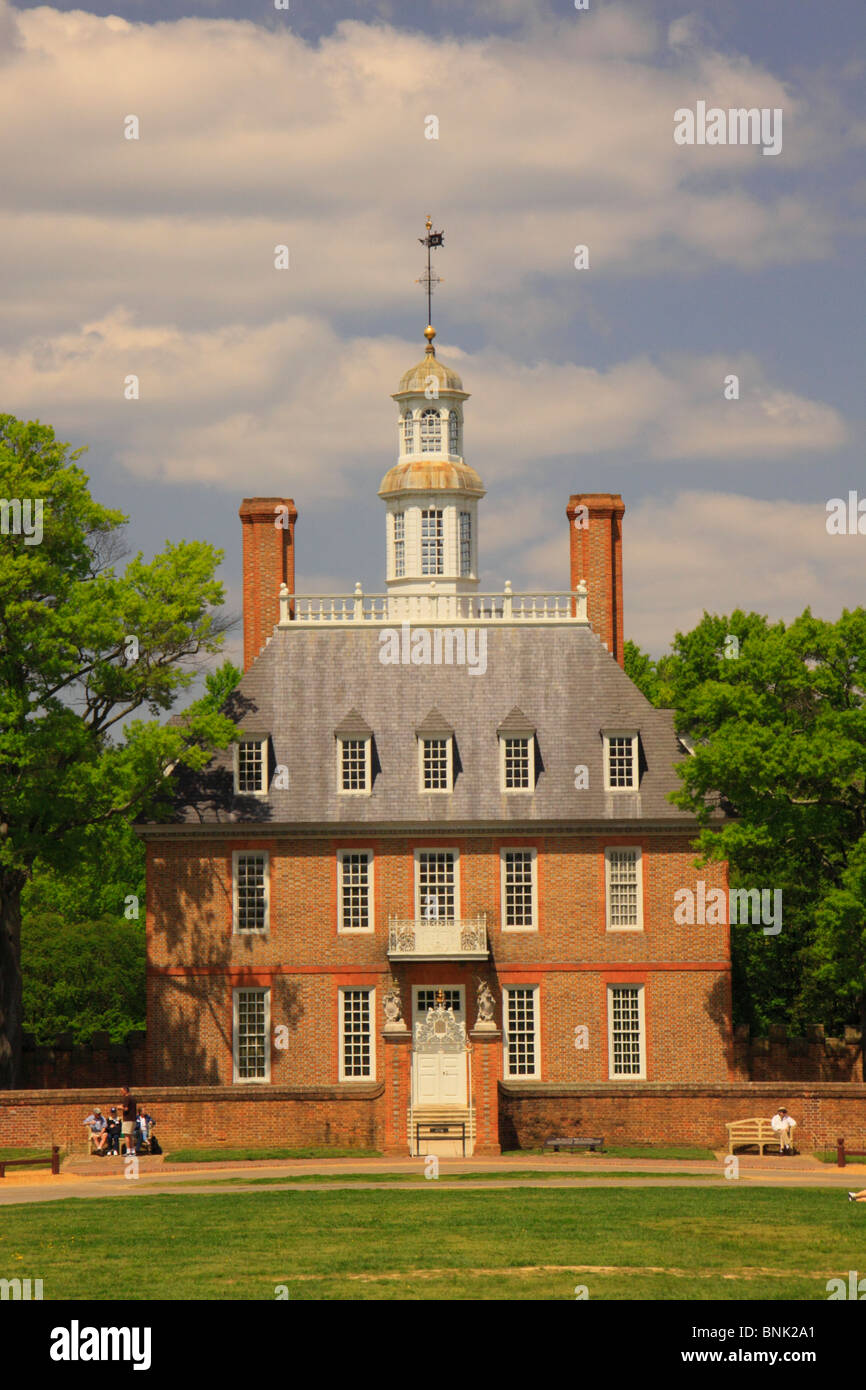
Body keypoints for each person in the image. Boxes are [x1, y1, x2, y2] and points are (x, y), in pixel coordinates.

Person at [119, 1085, 138, 1157]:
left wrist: (120, 1107)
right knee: (131, 1135)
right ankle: (133, 1151)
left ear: (125, 1090)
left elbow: (126, 1108)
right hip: (133, 1119)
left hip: (128, 1119)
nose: (121, 1093)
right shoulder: (133, 1098)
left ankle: (128, 1151)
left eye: (122, 1091)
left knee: (126, 1135)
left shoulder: (127, 1098)